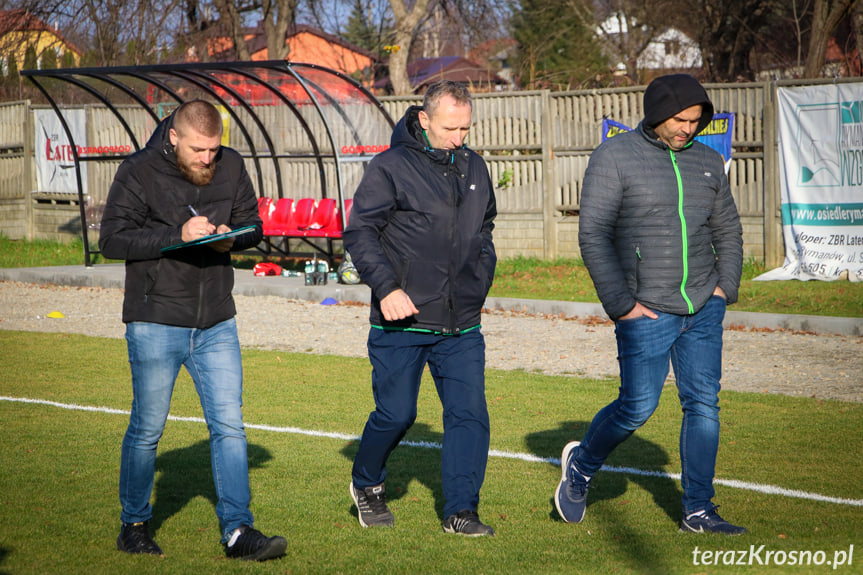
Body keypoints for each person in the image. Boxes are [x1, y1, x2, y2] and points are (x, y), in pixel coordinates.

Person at [554, 74, 747, 535]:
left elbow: (728, 231)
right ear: (656, 112)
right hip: (645, 310)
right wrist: (621, 305)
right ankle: (580, 467)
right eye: (679, 119)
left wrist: (725, 289)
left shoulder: (706, 161)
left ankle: (698, 511)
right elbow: (593, 234)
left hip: (704, 305)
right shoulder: (614, 157)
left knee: (704, 404)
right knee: (637, 407)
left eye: (696, 121)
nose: (687, 128)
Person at [99, 99, 287, 560]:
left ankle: (239, 532)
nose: (208, 158)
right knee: (148, 429)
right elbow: (111, 239)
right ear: (175, 136)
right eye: (199, 149)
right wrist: (176, 236)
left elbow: (253, 226)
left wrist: (232, 236)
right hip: (156, 319)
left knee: (229, 427)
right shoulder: (139, 170)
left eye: (214, 149)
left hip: (217, 321)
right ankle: (135, 524)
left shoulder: (232, 164)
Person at [343, 81, 498, 536]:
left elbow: (485, 225)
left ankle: (461, 511)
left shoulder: (475, 166)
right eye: (450, 128)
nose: (459, 137)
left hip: (462, 322)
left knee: (469, 414)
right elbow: (360, 233)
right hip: (402, 318)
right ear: (424, 120)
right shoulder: (389, 167)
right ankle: (367, 482)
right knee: (396, 414)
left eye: (466, 128)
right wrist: (387, 288)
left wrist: (480, 275)